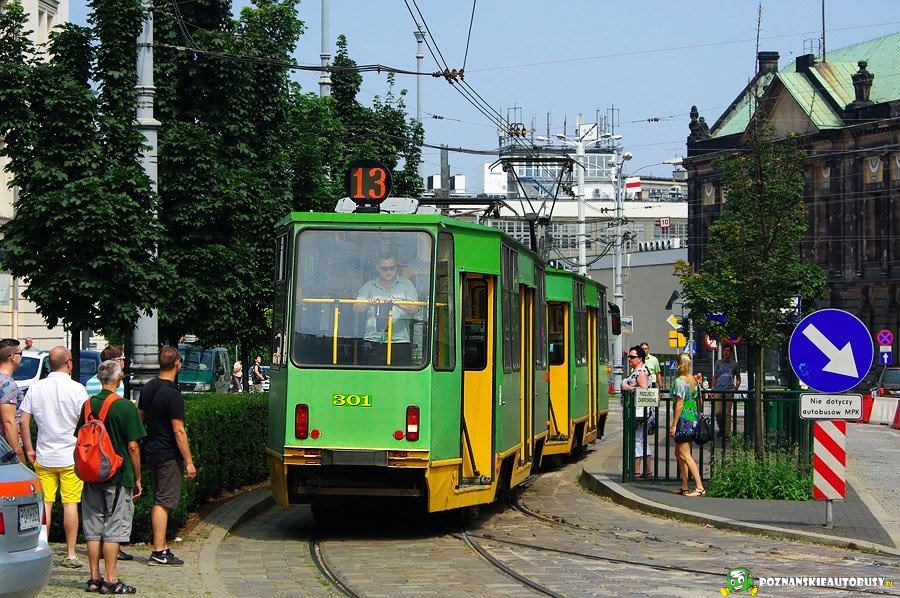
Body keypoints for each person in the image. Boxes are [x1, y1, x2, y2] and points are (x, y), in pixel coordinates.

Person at [76, 360, 145, 594]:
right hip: (117, 475)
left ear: (99, 378)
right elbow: (133, 446)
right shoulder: (125, 407)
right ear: (118, 379)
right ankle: (111, 579)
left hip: (91, 474)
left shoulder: (87, 405)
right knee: (114, 528)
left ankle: (94, 577)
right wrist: (137, 478)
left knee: (93, 528)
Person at [18, 347, 89, 568]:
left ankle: (42, 549)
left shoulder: (36, 387)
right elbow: (86, 422)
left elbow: (23, 420)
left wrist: (29, 449)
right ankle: (71, 553)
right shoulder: (78, 389)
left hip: (44, 454)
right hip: (70, 456)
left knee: (45, 504)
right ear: (69, 363)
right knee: (70, 503)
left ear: (50, 363)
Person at [138, 347, 196, 566]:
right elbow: (178, 430)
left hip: (151, 450)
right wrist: (189, 461)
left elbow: (139, 418)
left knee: (159, 498)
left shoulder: (148, 387)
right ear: (177, 364)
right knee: (163, 501)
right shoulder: (173, 394)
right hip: (168, 454)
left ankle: (161, 547)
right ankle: (158, 551)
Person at [353, 254, 419, 366]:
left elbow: (415, 308)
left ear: (396, 267)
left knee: (400, 375)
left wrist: (397, 303)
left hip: (399, 341)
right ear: (377, 268)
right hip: (373, 340)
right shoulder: (369, 286)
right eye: (384, 269)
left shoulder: (406, 285)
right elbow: (356, 308)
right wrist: (369, 303)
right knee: (372, 374)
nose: (388, 272)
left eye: (392, 268)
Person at [669, 353, 705, 497]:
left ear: (678, 364)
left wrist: (674, 425)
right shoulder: (692, 379)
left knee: (685, 454)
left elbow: (679, 403)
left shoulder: (680, 381)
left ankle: (700, 487)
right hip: (692, 416)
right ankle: (684, 486)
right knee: (679, 453)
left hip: (684, 419)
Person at [621, 344, 652, 478]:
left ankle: (637, 471)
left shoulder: (641, 372)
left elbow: (644, 389)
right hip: (639, 411)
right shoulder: (638, 370)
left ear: (640, 358)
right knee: (641, 440)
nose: (630, 359)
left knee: (637, 440)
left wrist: (627, 387)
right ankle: (647, 471)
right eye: (629, 357)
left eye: (632, 357)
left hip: (639, 412)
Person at [0, 338, 25, 464]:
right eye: (21, 353)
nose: (22, 357)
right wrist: (19, 457)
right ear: (13, 357)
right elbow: (9, 423)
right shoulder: (7, 385)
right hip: (5, 453)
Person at [711, 344, 741, 439]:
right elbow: (715, 376)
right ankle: (721, 428)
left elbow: (738, 378)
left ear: (731, 352)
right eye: (725, 350)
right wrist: (713, 389)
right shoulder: (718, 363)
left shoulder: (734, 364)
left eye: (728, 350)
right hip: (718, 390)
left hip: (729, 390)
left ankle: (727, 434)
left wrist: (735, 388)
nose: (726, 352)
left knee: (727, 413)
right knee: (718, 412)